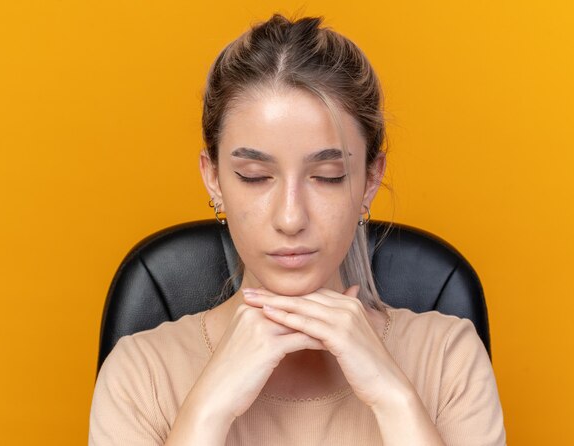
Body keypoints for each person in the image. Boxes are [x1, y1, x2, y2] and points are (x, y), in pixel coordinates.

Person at [88, 13, 506, 446]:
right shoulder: (141, 375)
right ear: (213, 178)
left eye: (328, 175)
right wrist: (206, 411)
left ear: (370, 178)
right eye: (253, 175)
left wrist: (394, 398)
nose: (291, 219)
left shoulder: (447, 359)